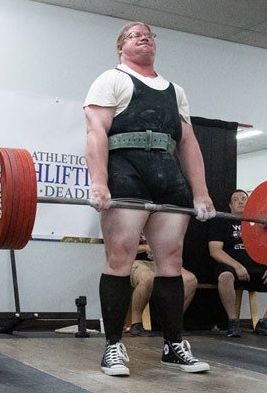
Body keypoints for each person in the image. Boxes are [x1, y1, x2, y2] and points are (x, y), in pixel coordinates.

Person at [84, 21, 214, 376]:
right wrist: (99, 182)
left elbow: (187, 142)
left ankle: (173, 346)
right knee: (121, 256)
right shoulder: (111, 79)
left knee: (172, 259)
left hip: (167, 173)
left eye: (148, 34)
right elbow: (96, 131)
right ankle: (113, 346)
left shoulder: (175, 90)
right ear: (120, 47)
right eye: (133, 34)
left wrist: (200, 193)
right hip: (126, 169)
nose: (143, 36)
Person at [208, 189, 267, 338]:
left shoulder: (260, 222)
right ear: (230, 205)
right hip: (233, 269)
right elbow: (215, 251)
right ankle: (232, 322)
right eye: (236, 199)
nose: (240, 201)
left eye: (244, 198)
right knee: (224, 276)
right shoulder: (221, 222)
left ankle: (266, 322)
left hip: (257, 270)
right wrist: (237, 266)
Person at [129, 234, 198, 337]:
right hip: (136, 261)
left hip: (162, 262)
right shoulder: (133, 221)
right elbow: (121, 247)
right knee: (148, 278)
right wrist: (146, 247)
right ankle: (136, 324)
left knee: (190, 279)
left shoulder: (162, 220)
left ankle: (171, 322)